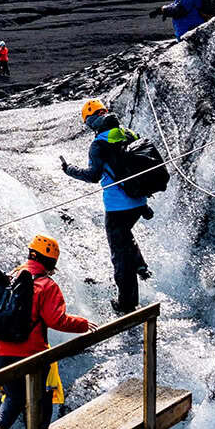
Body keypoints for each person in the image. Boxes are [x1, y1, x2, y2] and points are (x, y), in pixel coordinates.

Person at [0, 234, 91, 429]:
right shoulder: (46, 285)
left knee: (14, 396)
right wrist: (82, 324)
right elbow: (56, 319)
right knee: (42, 397)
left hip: (0, 350)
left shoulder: (7, 278)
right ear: (50, 263)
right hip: (32, 352)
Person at [61, 99, 154, 315]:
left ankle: (127, 305)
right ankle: (141, 265)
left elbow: (93, 176)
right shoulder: (129, 133)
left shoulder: (98, 144)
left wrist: (69, 170)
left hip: (117, 206)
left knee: (120, 257)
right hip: (139, 202)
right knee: (125, 234)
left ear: (92, 120)